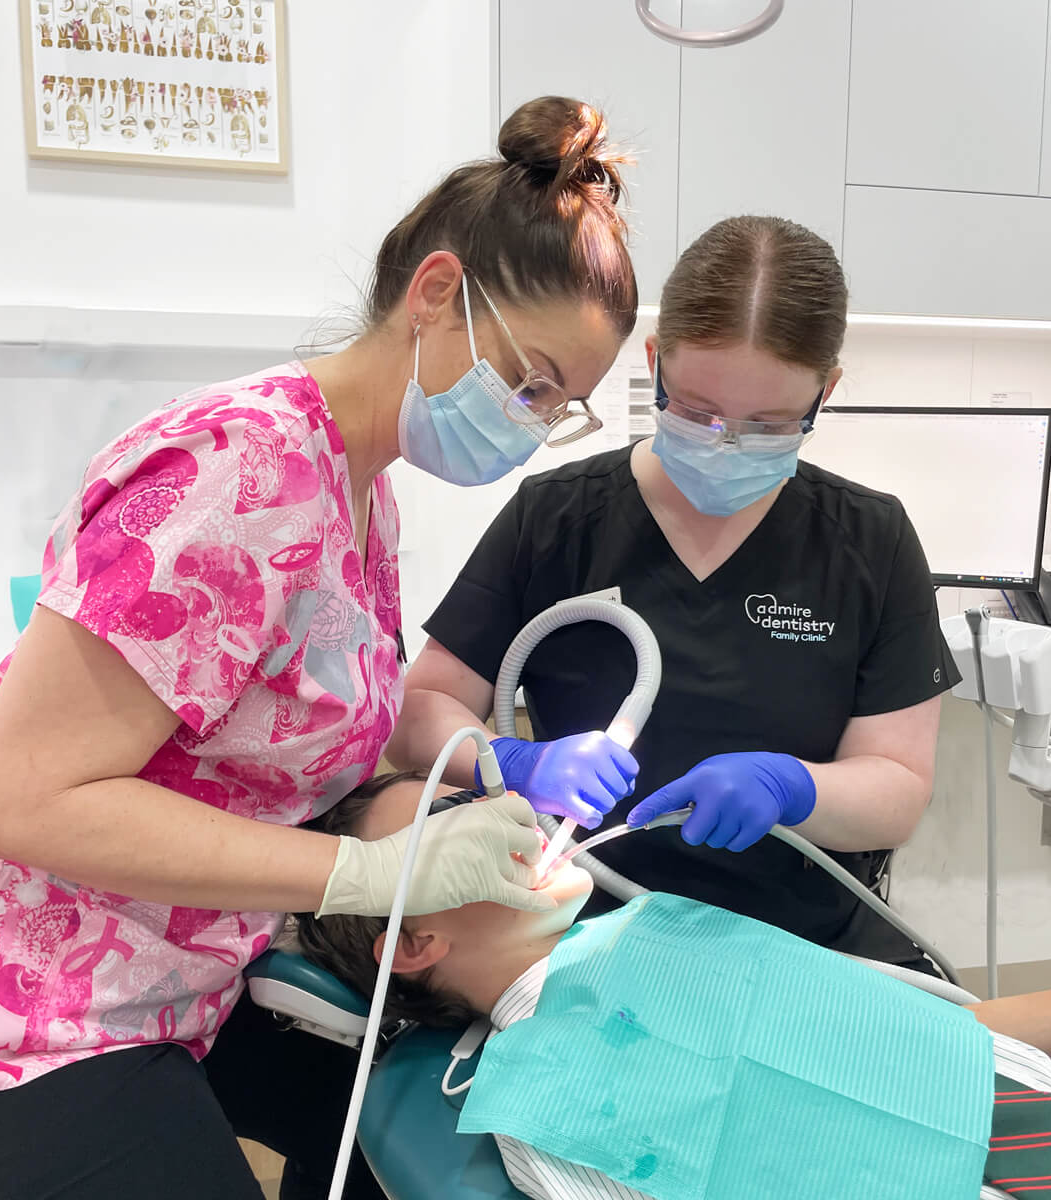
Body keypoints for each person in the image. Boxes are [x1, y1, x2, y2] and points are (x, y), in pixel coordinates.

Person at [0, 96, 639, 1200]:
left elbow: (305, 726)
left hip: (194, 971)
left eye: (562, 408)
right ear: (439, 294)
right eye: (532, 381)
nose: (532, 421)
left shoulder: (360, 495)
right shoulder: (238, 475)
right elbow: (22, 799)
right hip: (27, 1007)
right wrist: (367, 872)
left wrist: (486, 769)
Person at [388, 213, 959, 968]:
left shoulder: (869, 540)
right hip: (587, 936)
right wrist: (516, 762)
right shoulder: (559, 516)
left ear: (826, 392)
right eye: (698, 411)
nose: (724, 442)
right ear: (655, 362)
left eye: (766, 425)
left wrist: (795, 789)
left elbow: (898, 789)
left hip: (802, 948)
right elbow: (418, 717)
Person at [297, 773, 1051, 1200]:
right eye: (451, 825)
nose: (506, 814)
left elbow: (958, 1045)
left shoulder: (669, 936)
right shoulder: (552, 1110)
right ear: (413, 945)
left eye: (479, 795)